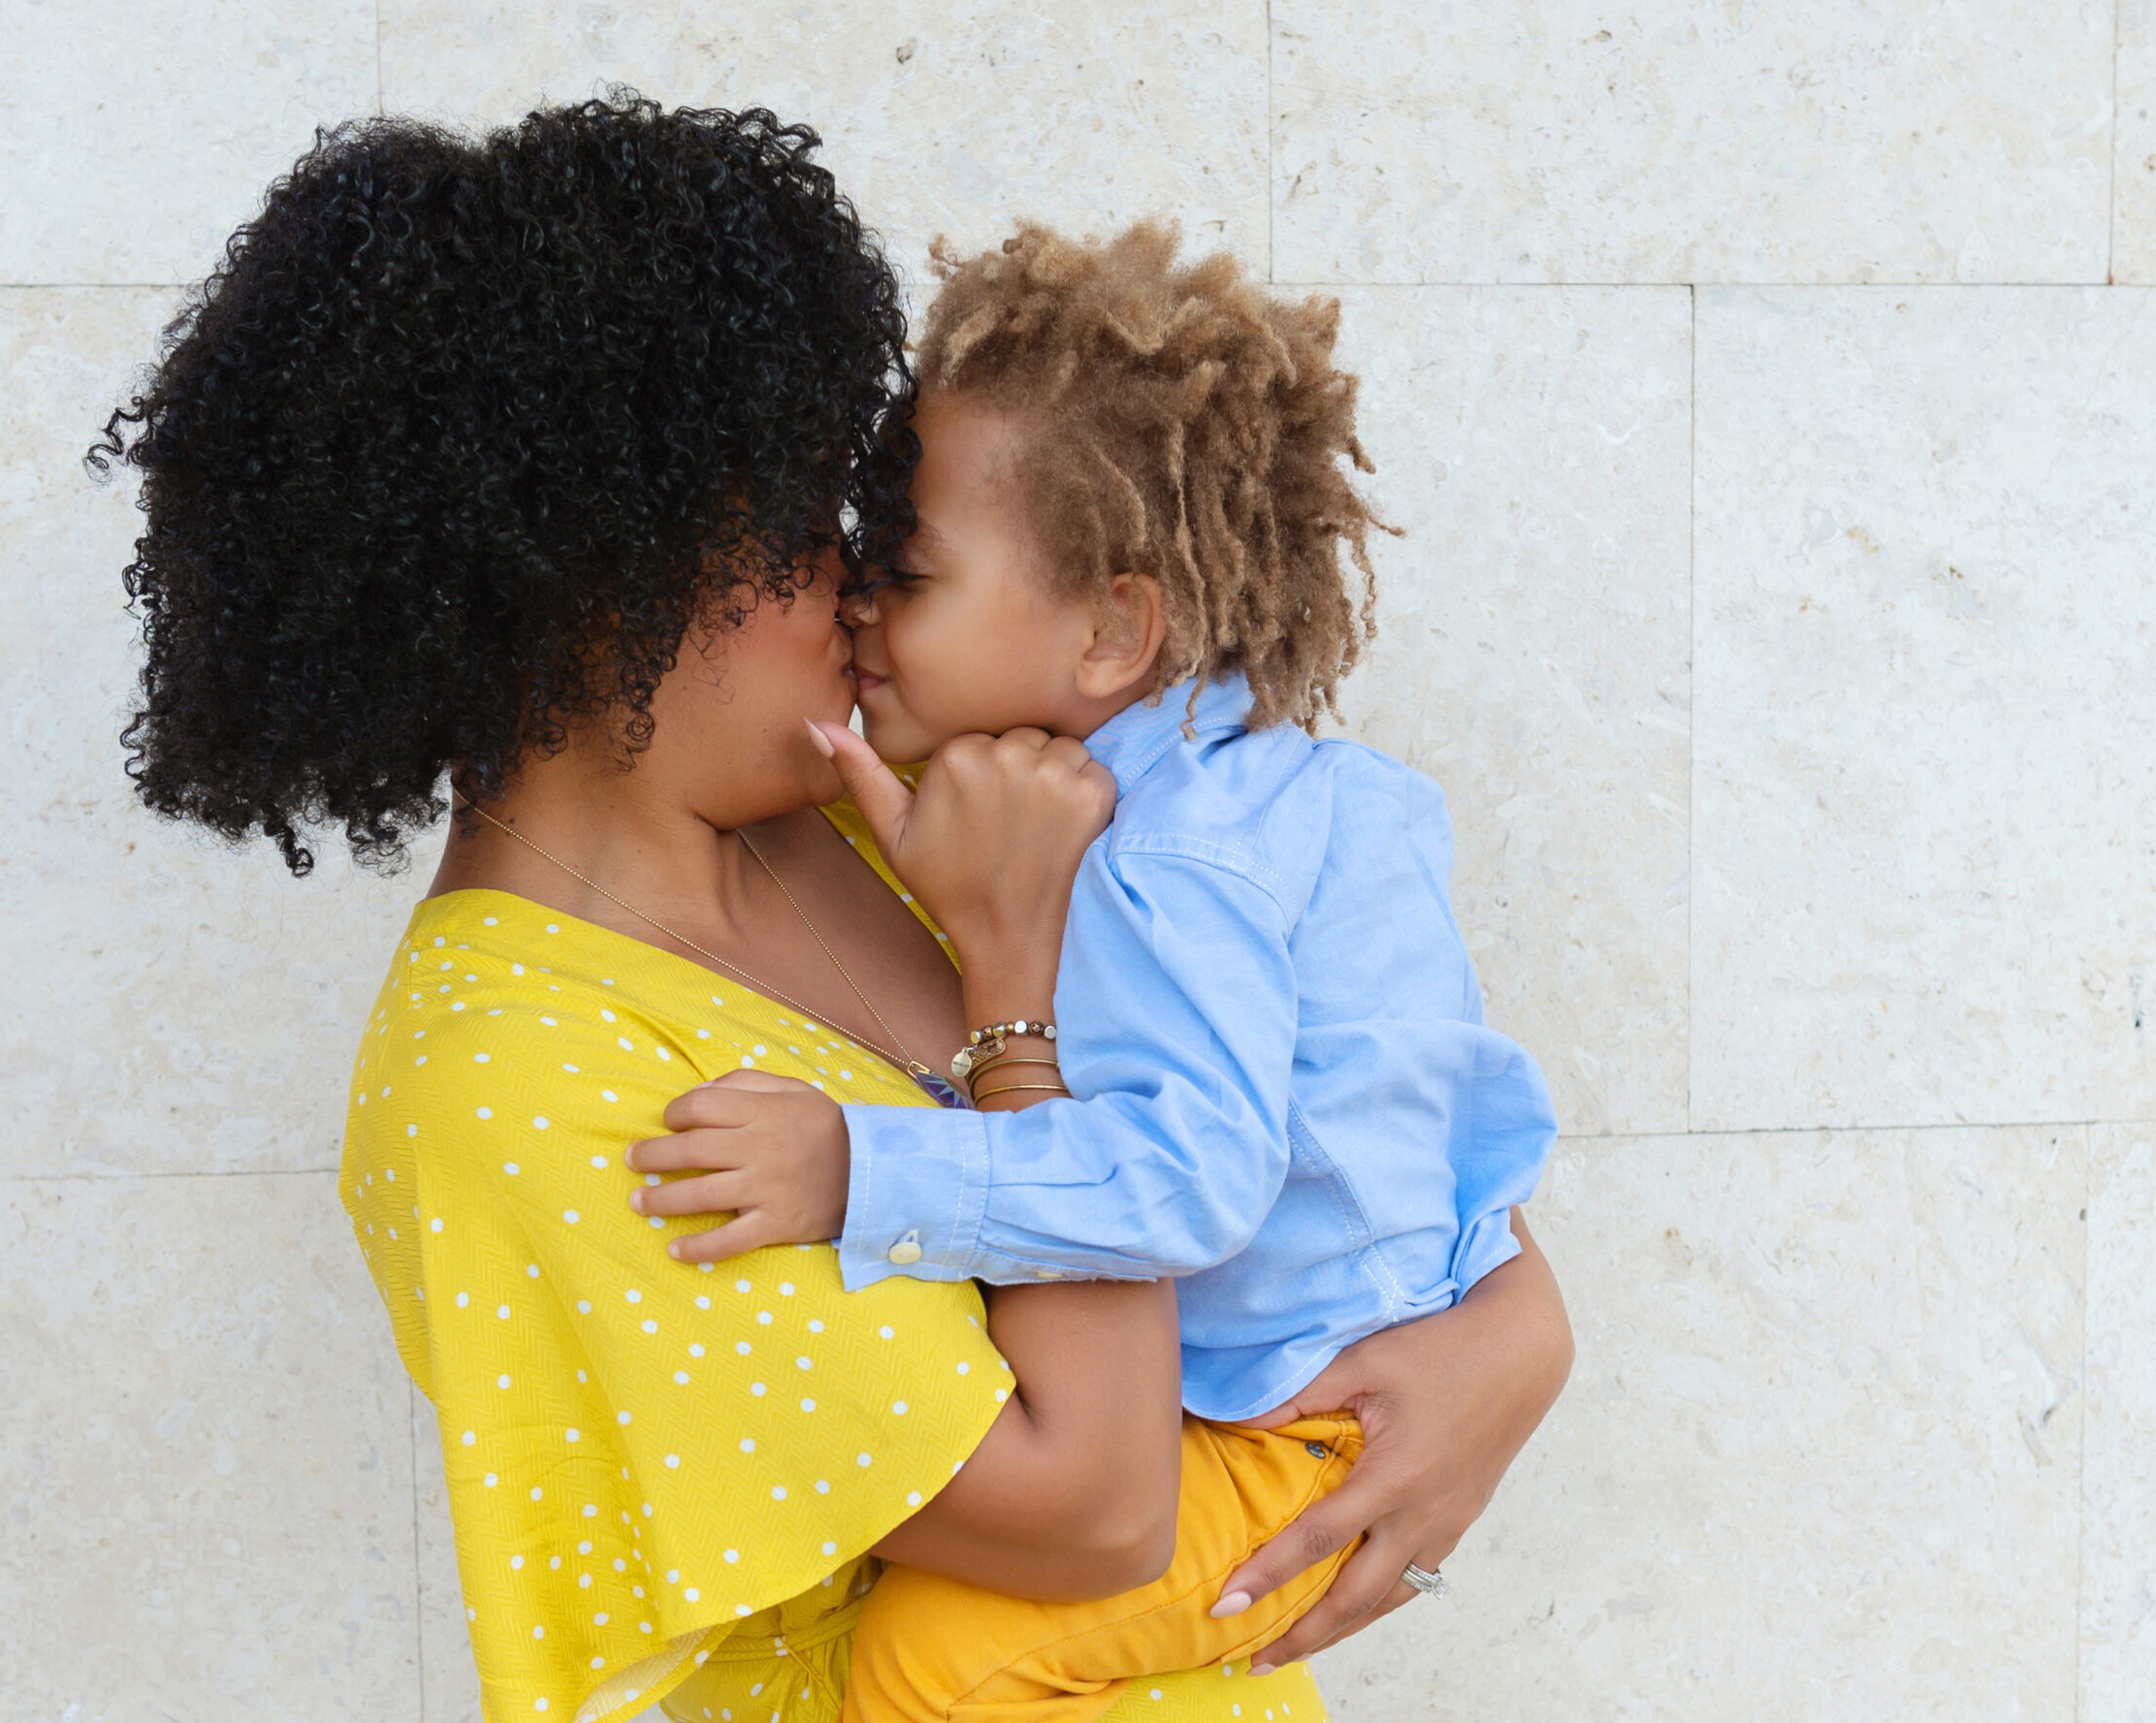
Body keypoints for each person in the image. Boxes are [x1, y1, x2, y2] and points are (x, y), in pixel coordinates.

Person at [92, 96, 1573, 1723]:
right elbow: (1098, 1511)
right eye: (804, 534)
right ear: (607, 579)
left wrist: (1516, 1331)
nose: (858, 586)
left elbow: (1314, 1110)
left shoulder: (861, 821)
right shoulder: (501, 1080)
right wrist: (1018, 990)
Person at [636, 221, 1559, 1719]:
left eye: (910, 574)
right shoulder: (1261, 780)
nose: (858, 608)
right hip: (1344, 1373)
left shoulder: (1155, 860)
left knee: (924, 1661)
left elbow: (1189, 1183)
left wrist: (859, 1169)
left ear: (1117, 625)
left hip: (1300, 1431)